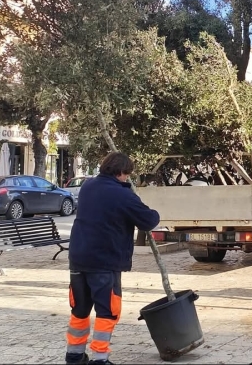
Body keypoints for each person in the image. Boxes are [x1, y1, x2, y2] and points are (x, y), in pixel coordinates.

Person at [65, 152, 160, 365]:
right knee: (108, 310)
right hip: (104, 260)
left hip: (78, 258)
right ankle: (100, 358)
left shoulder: (88, 187)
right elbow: (148, 220)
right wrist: (152, 211)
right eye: (126, 174)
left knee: (79, 308)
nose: (127, 178)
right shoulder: (122, 194)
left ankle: (74, 355)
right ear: (119, 172)